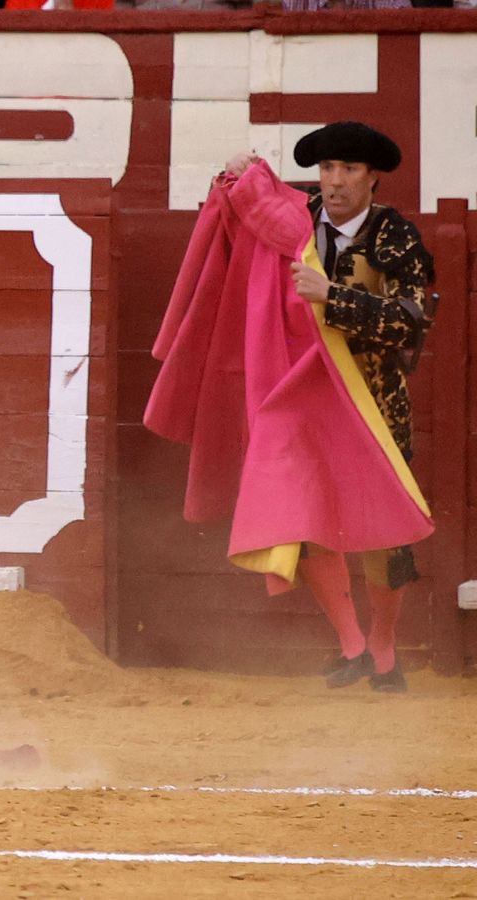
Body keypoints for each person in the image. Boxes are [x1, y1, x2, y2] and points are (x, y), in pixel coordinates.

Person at [222, 122, 434, 692]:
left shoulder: (397, 237)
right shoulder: (299, 221)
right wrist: (239, 176)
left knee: (384, 534)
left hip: (374, 404)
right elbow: (247, 215)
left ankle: (385, 650)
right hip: (304, 399)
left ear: (373, 179)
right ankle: (354, 645)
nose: (333, 182)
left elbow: (413, 322)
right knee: (304, 518)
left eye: (347, 171)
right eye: (326, 170)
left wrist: (333, 298)